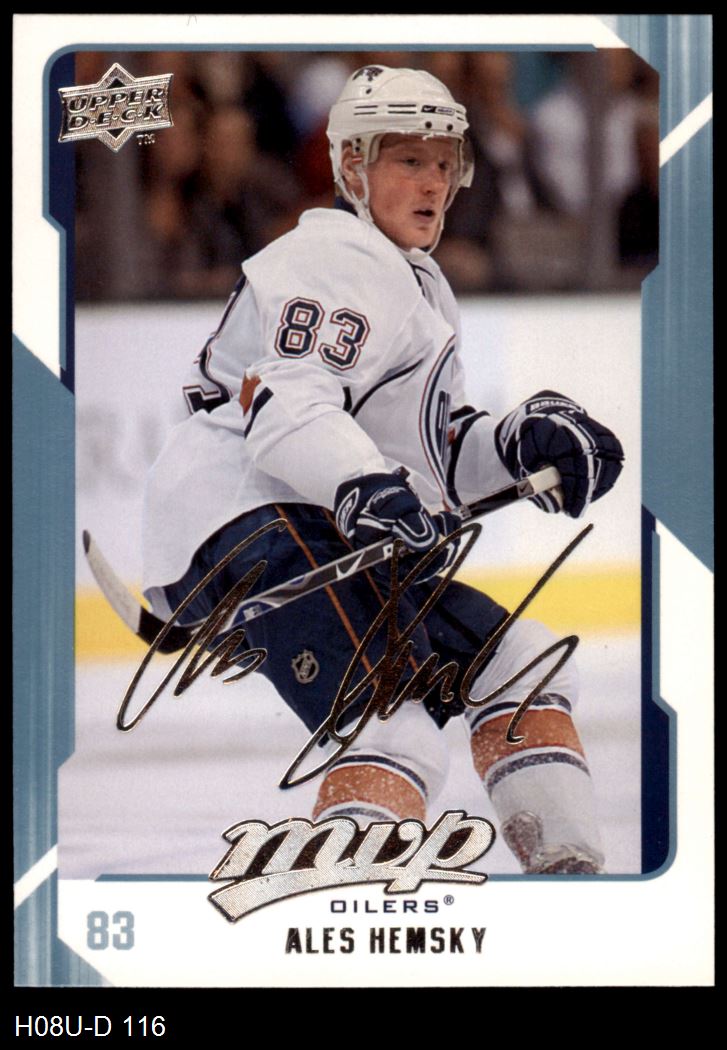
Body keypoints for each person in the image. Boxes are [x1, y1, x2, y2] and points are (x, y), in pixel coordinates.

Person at [141, 65, 624, 875]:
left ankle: (566, 872)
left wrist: (516, 445)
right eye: (407, 160)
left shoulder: (413, 281)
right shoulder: (334, 254)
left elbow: (426, 457)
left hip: (314, 519)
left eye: (442, 162)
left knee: (522, 663)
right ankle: (352, 903)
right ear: (351, 166)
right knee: (388, 727)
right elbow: (290, 402)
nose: (433, 181)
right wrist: (360, 485)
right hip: (253, 515)